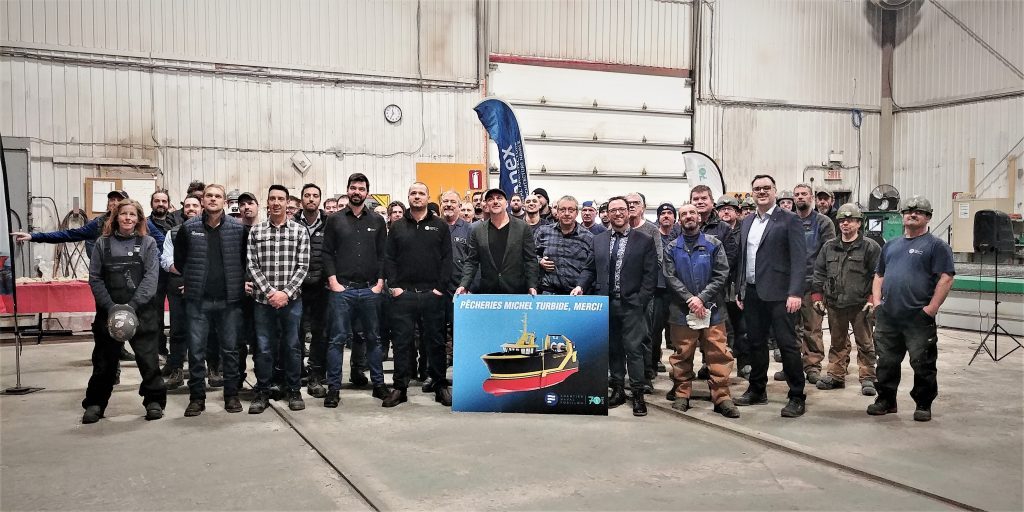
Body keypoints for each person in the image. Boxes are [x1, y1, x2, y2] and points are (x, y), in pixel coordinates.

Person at [13, 189, 165, 363]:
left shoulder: (142, 224)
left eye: (119, 200)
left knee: (141, 333)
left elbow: (162, 242)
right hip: (109, 287)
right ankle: (112, 362)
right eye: (112, 199)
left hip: (135, 288)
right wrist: (34, 236)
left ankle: (144, 361)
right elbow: (70, 234)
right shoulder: (98, 224)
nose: (114, 203)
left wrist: (156, 262)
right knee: (106, 333)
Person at [868, 195, 954, 422]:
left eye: (919, 212)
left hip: (918, 316)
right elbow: (879, 275)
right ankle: (886, 400)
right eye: (908, 211)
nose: (912, 214)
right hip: (889, 316)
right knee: (886, 361)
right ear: (902, 216)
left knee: (922, 362)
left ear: (928, 217)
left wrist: (931, 309)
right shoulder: (891, 245)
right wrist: (877, 303)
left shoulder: (936, 246)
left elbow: (946, 277)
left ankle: (923, 403)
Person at [82, 199, 165, 423]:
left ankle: (154, 401)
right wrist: (111, 308)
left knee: (148, 360)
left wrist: (132, 307)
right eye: (123, 214)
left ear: (139, 219)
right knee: (104, 362)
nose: (128, 218)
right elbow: (95, 278)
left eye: (132, 214)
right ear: (116, 217)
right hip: (108, 311)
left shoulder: (148, 243)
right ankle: (95, 403)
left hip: (141, 310)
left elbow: (151, 278)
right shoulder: (102, 243)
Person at [734, 174, 808, 418]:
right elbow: (743, 258)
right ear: (752, 193)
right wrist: (740, 289)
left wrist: (795, 292)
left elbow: (800, 259)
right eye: (757, 188)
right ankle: (757, 389)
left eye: (767, 188)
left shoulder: (790, 220)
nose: (762, 192)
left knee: (787, 345)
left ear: (775, 191)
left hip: (780, 294)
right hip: (752, 292)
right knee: (755, 343)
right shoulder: (747, 222)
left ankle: (796, 395)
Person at [576, 196, 657, 417]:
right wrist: (581, 286)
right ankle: (618, 389)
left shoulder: (644, 240)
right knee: (613, 349)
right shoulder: (599, 240)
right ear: (608, 214)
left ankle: (638, 394)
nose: (618, 213)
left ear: (629, 212)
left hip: (632, 305)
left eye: (622, 209)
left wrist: (641, 300)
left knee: (634, 350)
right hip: (607, 303)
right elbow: (590, 269)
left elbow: (650, 275)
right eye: (613, 210)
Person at [174, 184, 248, 416]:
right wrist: (193, 281)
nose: (213, 199)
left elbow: (245, 260)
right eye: (209, 196)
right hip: (198, 301)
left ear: (225, 201)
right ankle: (197, 398)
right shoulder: (188, 228)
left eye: (218, 196)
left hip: (229, 301)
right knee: (196, 352)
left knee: (231, 351)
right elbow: (179, 260)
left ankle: (231, 396)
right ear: (202, 200)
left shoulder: (238, 229)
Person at [663, 203, 739, 418]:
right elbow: (670, 277)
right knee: (682, 354)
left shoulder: (714, 244)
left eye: (692, 213)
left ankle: (722, 397)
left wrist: (702, 298)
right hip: (681, 310)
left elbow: (721, 274)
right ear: (679, 220)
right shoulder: (672, 248)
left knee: (718, 353)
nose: (688, 216)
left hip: (712, 309)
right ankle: (682, 393)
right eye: (684, 214)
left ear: (699, 218)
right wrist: (690, 299)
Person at [322, 173, 389, 408]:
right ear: (347, 190)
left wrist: (379, 283)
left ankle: (379, 384)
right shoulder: (334, 220)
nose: (357, 192)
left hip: (370, 290)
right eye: (353, 188)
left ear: (367, 193)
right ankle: (333, 388)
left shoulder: (377, 221)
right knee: (337, 340)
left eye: (361, 188)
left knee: (374, 339)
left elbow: (383, 255)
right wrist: (333, 282)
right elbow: (327, 252)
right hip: (343, 290)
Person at [383, 183, 452, 407]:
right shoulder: (397, 226)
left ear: (428, 197)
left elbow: (447, 259)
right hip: (404, 295)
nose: (417, 196)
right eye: (413, 193)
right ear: (408, 197)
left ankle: (440, 385)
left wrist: (439, 289)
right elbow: (389, 258)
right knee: (401, 343)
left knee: (436, 343)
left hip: (433, 295)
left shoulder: (440, 226)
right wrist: (394, 287)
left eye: (421, 193)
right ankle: (400, 388)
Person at [247, 185, 310, 413]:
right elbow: (252, 265)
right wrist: (270, 292)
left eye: (280, 199)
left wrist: (285, 293)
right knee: (264, 348)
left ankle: (293, 390)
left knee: (292, 346)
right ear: (267, 202)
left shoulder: (299, 231)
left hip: (291, 301)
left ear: (287, 203)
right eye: (272, 198)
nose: (276, 203)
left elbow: (303, 266)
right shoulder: (256, 232)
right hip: (263, 302)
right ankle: (262, 391)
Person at [811, 203, 881, 395]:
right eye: (842, 220)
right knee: (837, 342)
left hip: (861, 305)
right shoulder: (829, 247)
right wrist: (817, 296)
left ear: (859, 223)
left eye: (850, 220)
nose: (845, 224)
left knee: (865, 342)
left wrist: (872, 299)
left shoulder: (870, 247)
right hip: (835, 303)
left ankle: (868, 377)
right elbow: (819, 272)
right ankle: (835, 376)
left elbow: (878, 275)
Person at [778, 184, 836, 385]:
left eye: (804, 194)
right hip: (789, 286)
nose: (800, 197)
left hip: (813, 285)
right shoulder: (786, 221)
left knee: (813, 328)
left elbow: (829, 253)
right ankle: (791, 366)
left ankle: (812, 367)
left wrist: (822, 284)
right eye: (797, 195)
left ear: (811, 197)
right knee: (790, 329)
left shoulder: (823, 222)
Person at [456, 188, 539, 296]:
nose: (495, 201)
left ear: (507, 203)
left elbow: (530, 260)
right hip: (488, 292)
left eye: (499, 198)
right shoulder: (477, 230)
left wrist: (532, 285)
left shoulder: (523, 227)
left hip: (517, 292)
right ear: (486, 205)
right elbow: (472, 261)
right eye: (490, 199)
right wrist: (464, 285)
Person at [160, 195, 203, 390]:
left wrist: (194, 281)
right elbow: (166, 260)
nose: (191, 208)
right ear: (183, 209)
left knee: (204, 331)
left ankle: (205, 370)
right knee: (177, 330)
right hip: (177, 287)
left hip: (203, 287)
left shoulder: (209, 231)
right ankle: (176, 370)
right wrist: (188, 275)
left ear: (201, 208)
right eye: (187, 206)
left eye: (195, 205)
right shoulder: (173, 233)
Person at [295, 183, 329, 399]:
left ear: (319, 199)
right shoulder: (291, 223)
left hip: (321, 287)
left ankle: (316, 374)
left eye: (315, 195)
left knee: (320, 333)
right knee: (296, 332)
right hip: (296, 287)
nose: (311, 199)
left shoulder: (329, 223)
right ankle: (297, 372)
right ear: (301, 200)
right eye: (307, 195)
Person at [534, 196, 594, 295]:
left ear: (577, 213)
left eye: (571, 210)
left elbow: (591, 268)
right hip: (548, 293)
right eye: (562, 210)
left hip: (576, 294)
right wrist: (540, 261)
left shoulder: (588, 237)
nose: (566, 213)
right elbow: (531, 256)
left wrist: (581, 286)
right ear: (557, 211)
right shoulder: (543, 231)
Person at [651, 202, 680, 380]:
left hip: (678, 290)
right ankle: (653, 363)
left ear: (674, 217)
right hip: (659, 289)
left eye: (670, 213)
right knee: (655, 330)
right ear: (658, 217)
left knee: (679, 332)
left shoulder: (680, 236)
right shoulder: (653, 237)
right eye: (663, 213)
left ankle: (680, 368)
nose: (666, 216)